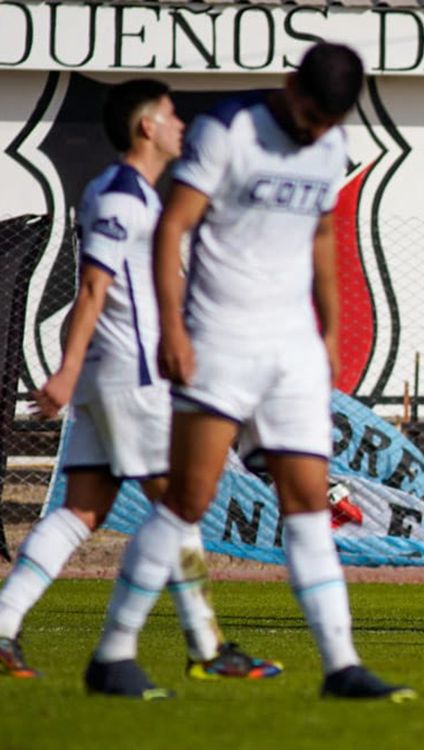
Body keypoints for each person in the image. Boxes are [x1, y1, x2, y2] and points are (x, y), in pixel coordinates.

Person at [85, 44, 414, 701]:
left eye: (329, 121)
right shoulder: (227, 129)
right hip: (221, 341)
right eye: (311, 114)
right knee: (187, 499)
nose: (315, 130)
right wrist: (174, 331)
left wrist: (328, 332)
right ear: (291, 86)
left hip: (290, 349)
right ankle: (114, 654)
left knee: (309, 505)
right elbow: (172, 228)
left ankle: (341, 665)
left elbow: (321, 235)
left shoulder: (330, 144)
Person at [0, 80, 279, 684]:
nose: (182, 126)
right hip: (131, 378)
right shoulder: (122, 197)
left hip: (111, 378)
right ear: (147, 126)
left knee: (81, 511)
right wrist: (67, 371)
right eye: (174, 115)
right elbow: (93, 288)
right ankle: (201, 648)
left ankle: (3, 626)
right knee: (178, 506)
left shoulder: (136, 197)